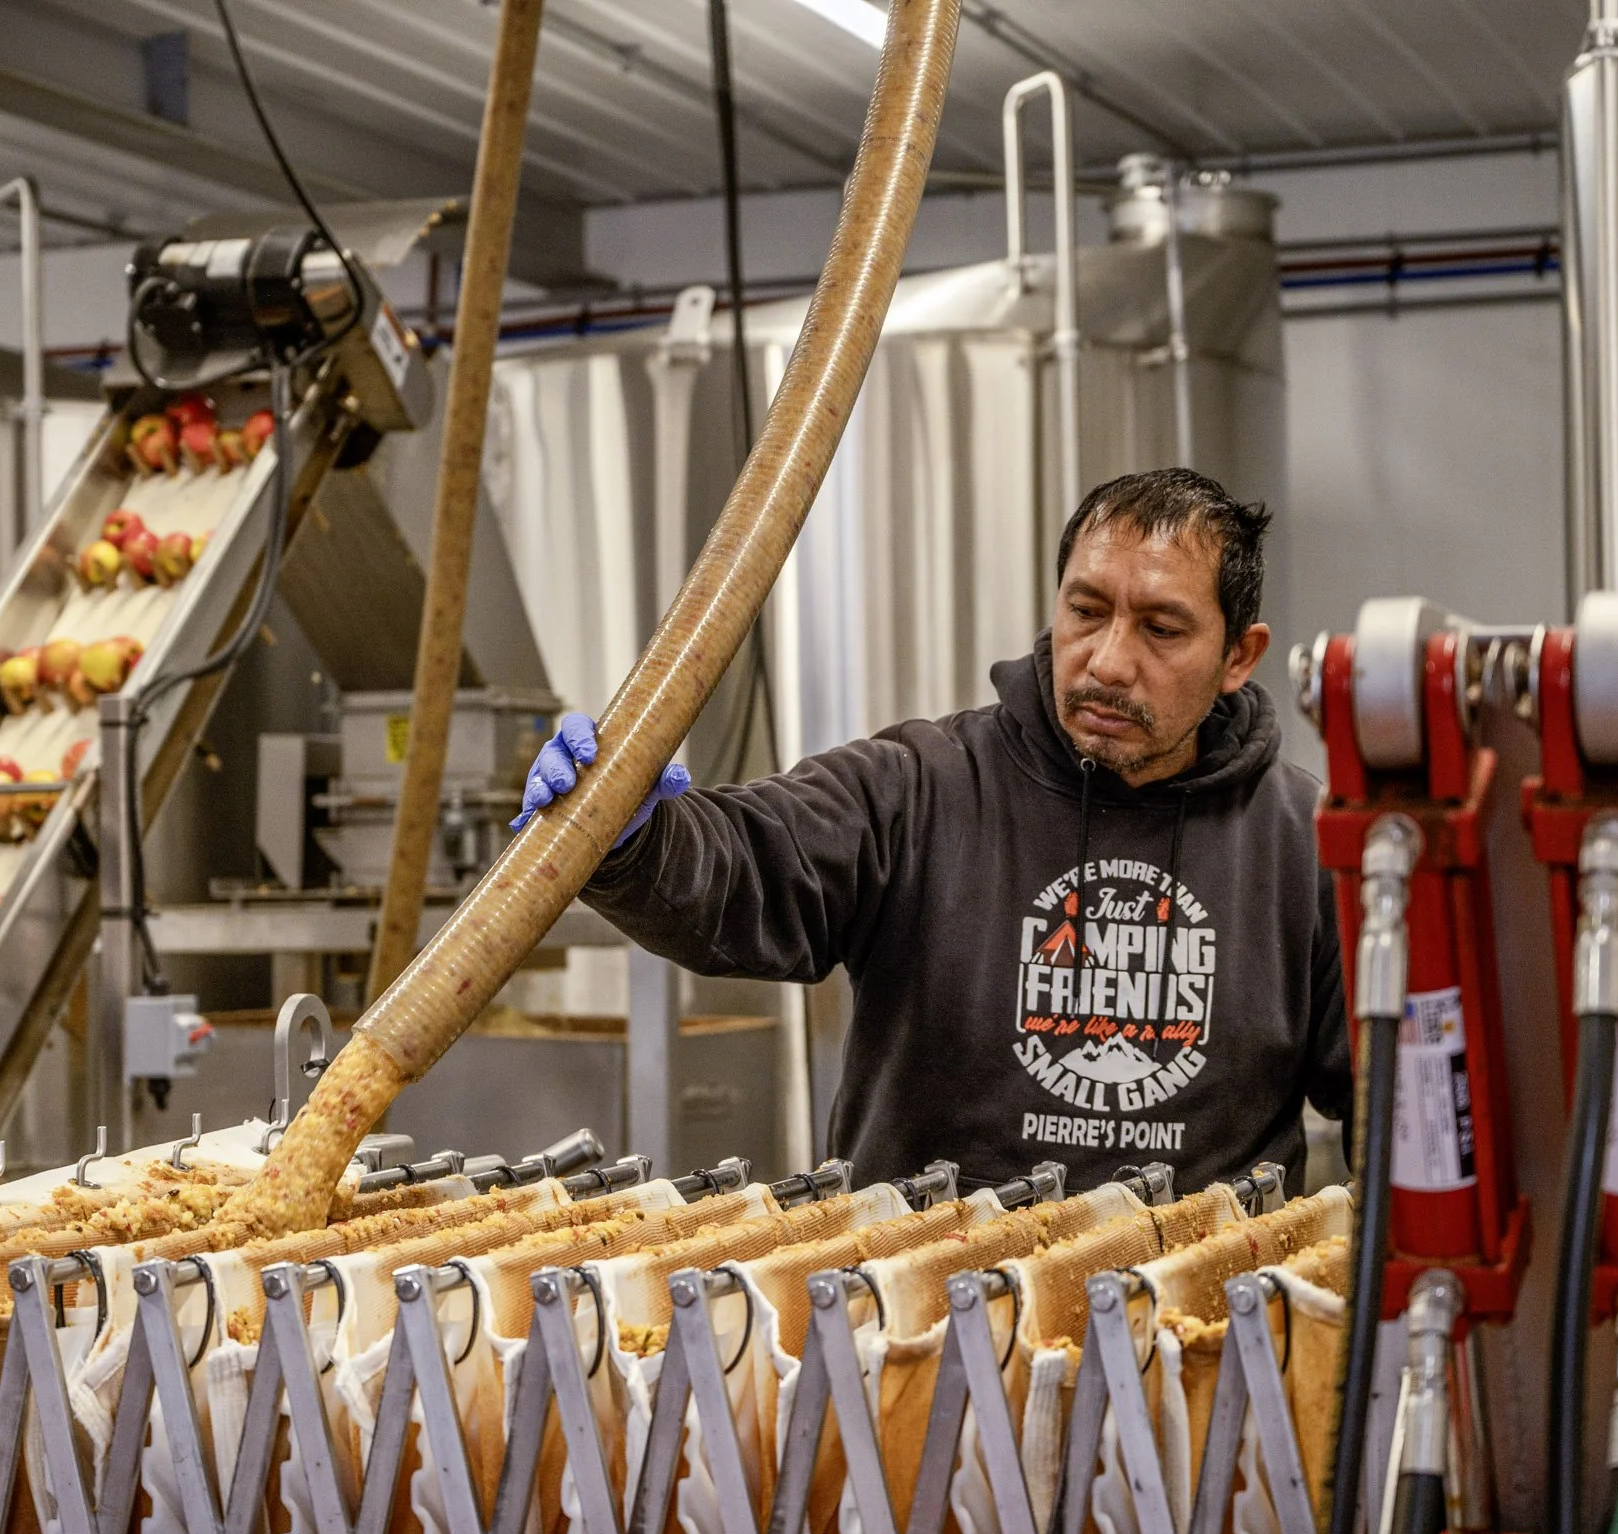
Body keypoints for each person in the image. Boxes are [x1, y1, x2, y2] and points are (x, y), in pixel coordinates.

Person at [516, 468, 1349, 1192]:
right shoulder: (924, 786)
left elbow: (1391, 1111)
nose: (1107, 660)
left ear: (1240, 655)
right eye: (1086, 611)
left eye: (1161, 629)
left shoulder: (1307, 845)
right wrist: (631, 835)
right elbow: (751, 863)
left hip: (1198, 1335)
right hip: (924, 1329)